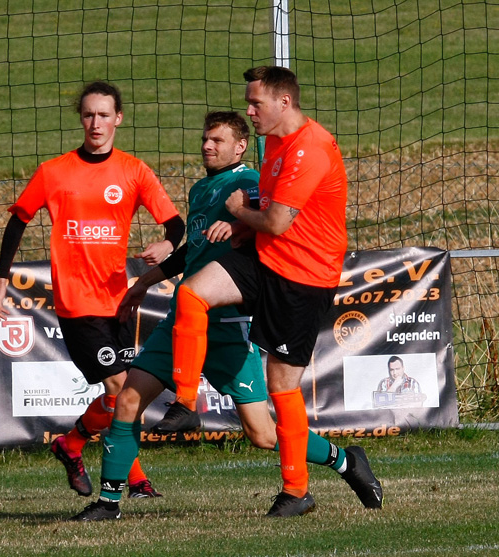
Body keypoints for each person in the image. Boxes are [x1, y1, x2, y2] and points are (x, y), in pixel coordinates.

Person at [70, 111, 383, 521]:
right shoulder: (202, 189)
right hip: (183, 321)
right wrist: (145, 281)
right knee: (128, 399)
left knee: (263, 434)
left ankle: (346, 460)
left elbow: (278, 224)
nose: (206, 146)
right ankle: (109, 504)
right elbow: (192, 253)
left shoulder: (249, 182)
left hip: (229, 326)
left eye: (217, 140)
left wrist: (241, 226)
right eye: (204, 138)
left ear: (240, 146)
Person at [153, 65, 372, 518]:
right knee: (192, 293)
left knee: (280, 386)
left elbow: (275, 221)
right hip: (266, 258)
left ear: (284, 103)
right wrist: (238, 222)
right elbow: (267, 208)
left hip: (303, 276)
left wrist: (238, 210)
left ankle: (297, 491)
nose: (249, 111)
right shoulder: (273, 140)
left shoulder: (309, 148)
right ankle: (186, 403)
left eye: (256, 103)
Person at [0, 80, 184, 500]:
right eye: (88, 114)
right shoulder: (54, 171)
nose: (95, 122)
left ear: (118, 118)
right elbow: (17, 221)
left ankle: (71, 444)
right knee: (119, 389)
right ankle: (134, 480)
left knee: (124, 393)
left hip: (120, 300)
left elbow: (176, 224)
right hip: (76, 303)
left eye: (103, 114)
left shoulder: (134, 171)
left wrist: (169, 243)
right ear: (81, 118)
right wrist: (2, 281)